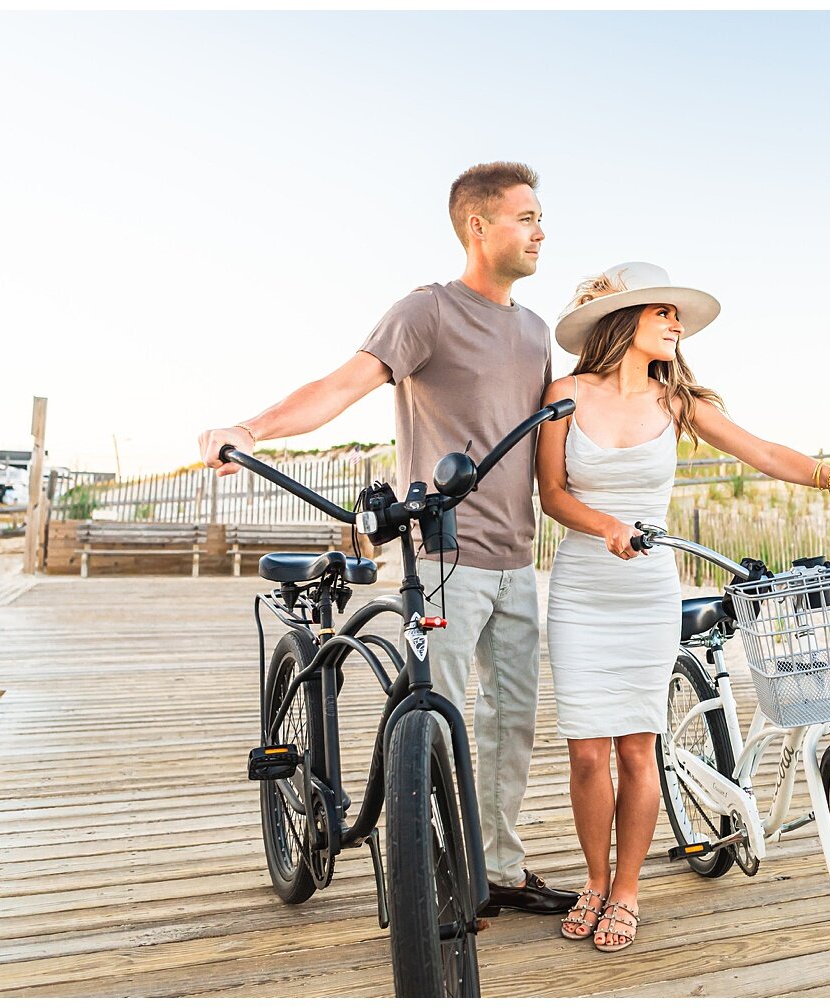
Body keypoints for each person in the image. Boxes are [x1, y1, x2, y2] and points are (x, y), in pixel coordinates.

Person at [197, 162, 578, 917]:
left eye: (541, 218)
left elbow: (551, 449)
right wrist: (250, 428)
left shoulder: (536, 333)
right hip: (439, 554)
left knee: (512, 723)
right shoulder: (426, 311)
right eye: (526, 217)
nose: (542, 231)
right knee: (434, 713)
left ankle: (498, 864)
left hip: (515, 556)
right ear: (478, 225)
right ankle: (434, 861)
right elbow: (342, 385)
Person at [535, 262, 830, 952]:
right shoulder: (564, 395)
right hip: (583, 590)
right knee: (587, 752)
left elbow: (764, 452)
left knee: (636, 747)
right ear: (625, 321)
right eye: (664, 314)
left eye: (677, 318)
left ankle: (626, 890)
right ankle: (594, 882)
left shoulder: (676, 403)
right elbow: (554, 495)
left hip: (648, 592)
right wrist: (605, 526)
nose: (677, 326)